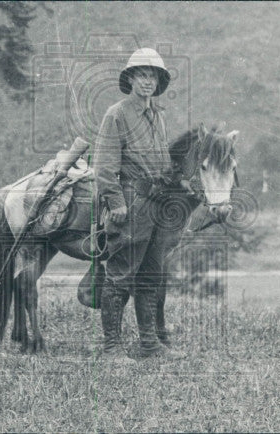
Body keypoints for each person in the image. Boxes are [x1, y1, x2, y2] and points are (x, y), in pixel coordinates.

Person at [93, 48, 184, 361]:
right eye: (142, 75)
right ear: (130, 78)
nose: (147, 81)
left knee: (150, 275)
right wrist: (115, 200)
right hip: (130, 202)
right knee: (119, 275)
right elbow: (105, 164)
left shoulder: (158, 117)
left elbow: (162, 162)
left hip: (157, 203)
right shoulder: (116, 114)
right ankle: (111, 348)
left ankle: (149, 344)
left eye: (153, 76)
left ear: (159, 82)